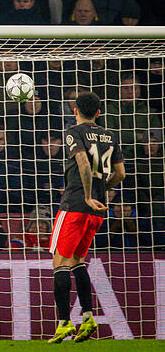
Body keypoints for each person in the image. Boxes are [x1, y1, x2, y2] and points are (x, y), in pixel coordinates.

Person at [47, 91, 125, 343]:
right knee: (77, 260)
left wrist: (89, 195)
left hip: (75, 204)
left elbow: (82, 161)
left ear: (75, 111)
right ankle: (89, 318)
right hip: (96, 211)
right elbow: (121, 173)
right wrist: (101, 192)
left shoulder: (73, 131)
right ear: (98, 113)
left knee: (60, 261)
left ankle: (63, 324)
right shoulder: (110, 135)